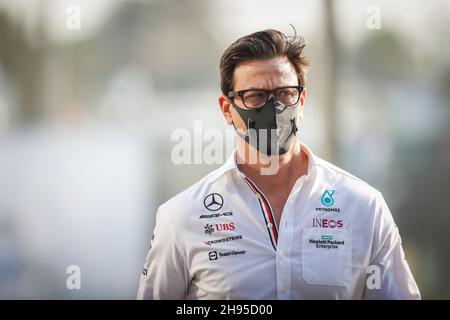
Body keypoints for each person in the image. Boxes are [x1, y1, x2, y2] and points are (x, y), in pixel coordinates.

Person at [137, 29, 420, 299]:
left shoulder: (364, 208)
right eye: (256, 96)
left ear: (302, 98)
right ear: (227, 110)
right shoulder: (182, 217)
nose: (274, 109)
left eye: (285, 94)